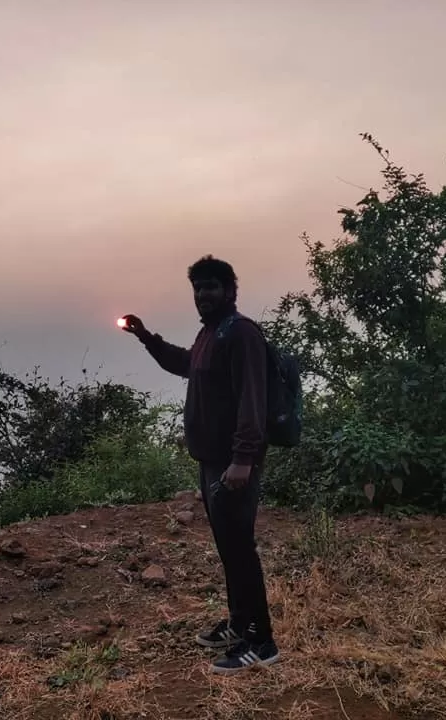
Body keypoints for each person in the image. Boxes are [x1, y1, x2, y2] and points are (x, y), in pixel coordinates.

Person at [120, 255, 279, 675]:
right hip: (212, 462)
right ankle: (238, 623)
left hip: (233, 465)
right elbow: (185, 364)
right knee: (229, 550)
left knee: (240, 550)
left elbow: (252, 401)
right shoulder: (212, 333)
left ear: (230, 291)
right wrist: (146, 338)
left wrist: (243, 460)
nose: (203, 295)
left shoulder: (242, 333)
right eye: (198, 288)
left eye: (211, 287)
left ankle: (261, 641)